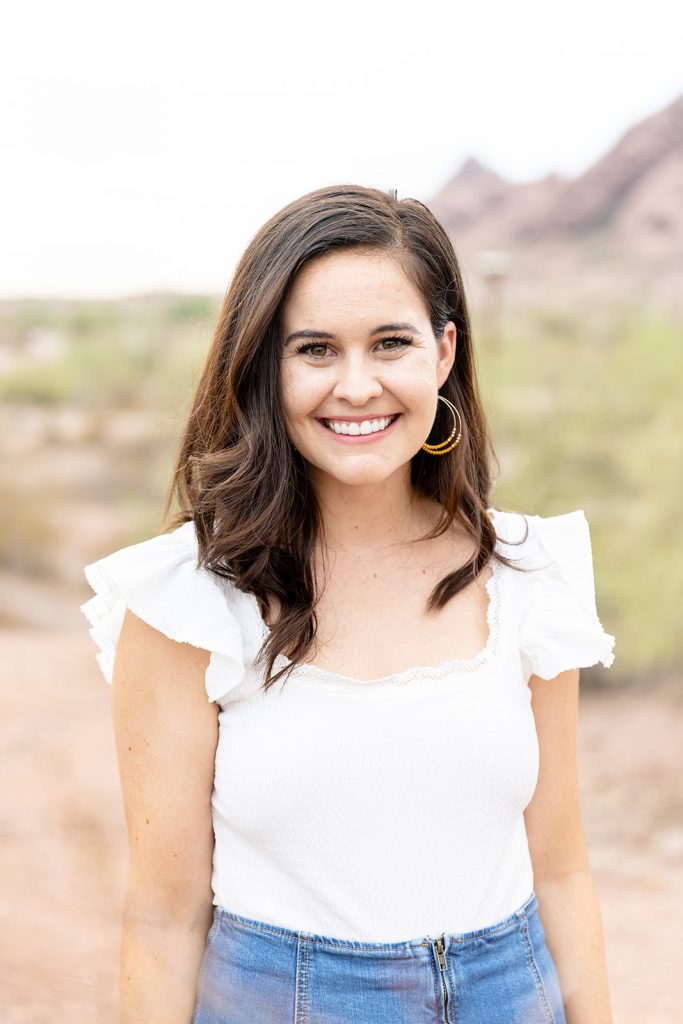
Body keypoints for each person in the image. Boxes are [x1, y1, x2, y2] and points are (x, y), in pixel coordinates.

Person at [80, 183, 616, 1024]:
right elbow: (163, 915)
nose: (356, 385)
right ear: (265, 365)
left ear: (443, 353)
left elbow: (559, 866)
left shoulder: (526, 572)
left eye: (390, 343)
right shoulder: (186, 599)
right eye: (316, 350)